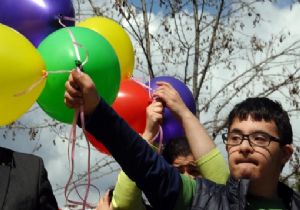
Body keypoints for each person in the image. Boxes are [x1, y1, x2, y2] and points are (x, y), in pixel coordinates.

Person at [65, 70, 300, 210]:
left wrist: (185, 114)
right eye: (235, 138)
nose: (244, 147)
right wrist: (96, 110)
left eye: (259, 139)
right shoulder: (206, 201)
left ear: (285, 153)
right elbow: (146, 166)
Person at [111, 97, 228, 210]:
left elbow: (223, 187)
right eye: (178, 172)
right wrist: (149, 136)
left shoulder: (221, 203)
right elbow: (124, 204)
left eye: (194, 171)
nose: (187, 177)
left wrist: (184, 114)